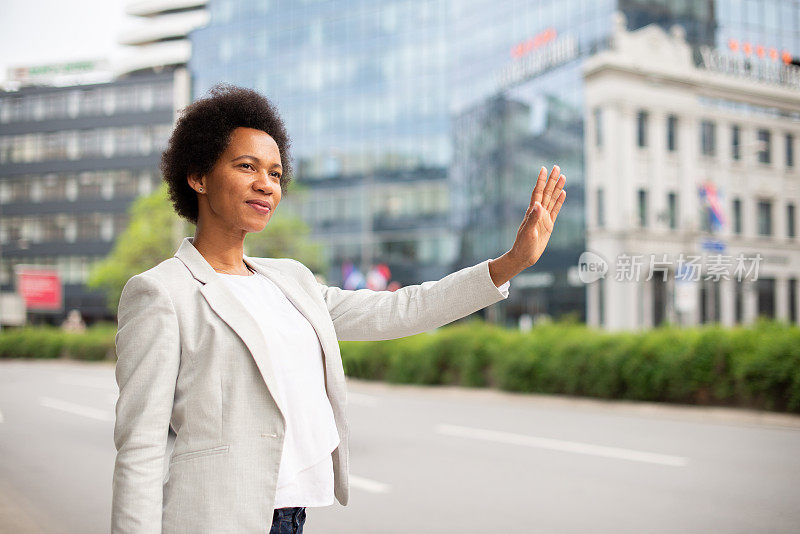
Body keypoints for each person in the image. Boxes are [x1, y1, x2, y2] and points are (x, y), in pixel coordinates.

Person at [111, 83, 566, 534]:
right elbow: (141, 448)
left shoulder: (291, 280)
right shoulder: (160, 293)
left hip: (293, 516)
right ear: (198, 177)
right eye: (246, 167)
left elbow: (402, 309)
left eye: (275, 173)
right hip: (212, 520)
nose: (265, 185)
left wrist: (510, 264)